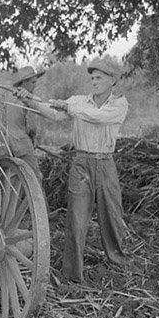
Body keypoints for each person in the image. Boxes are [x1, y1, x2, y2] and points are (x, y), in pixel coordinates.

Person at [28, 58, 129, 285]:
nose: (94, 81)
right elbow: (54, 113)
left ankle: (118, 262)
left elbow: (98, 118)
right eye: (92, 77)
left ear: (112, 81)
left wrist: (71, 108)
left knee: (112, 214)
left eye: (99, 78)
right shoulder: (79, 101)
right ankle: (73, 274)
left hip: (105, 163)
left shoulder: (119, 104)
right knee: (76, 218)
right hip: (81, 163)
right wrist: (31, 101)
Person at [0, 65, 44, 180]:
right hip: (21, 143)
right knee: (35, 177)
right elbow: (32, 128)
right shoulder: (27, 99)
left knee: (10, 179)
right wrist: (33, 141)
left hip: (4, 143)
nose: (35, 85)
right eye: (33, 82)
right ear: (24, 83)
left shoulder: (6, 96)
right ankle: (38, 198)